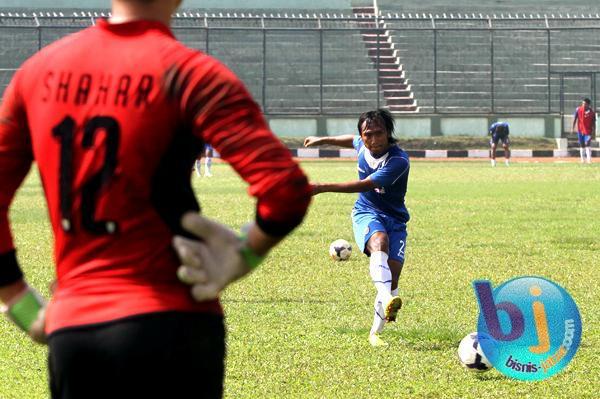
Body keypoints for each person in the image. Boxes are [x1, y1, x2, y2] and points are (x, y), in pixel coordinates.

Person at [0, 0, 312, 398]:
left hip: (75, 333)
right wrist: (243, 255)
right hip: (174, 324)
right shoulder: (191, 74)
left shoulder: (37, 73)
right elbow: (285, 191)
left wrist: (20, 304)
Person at [304, 109, 407, 347]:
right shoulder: (362, 144)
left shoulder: (398, 161)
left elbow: (366, 184)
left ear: (388, 133)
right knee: (379, 240)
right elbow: (349, 139)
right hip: (366, 212)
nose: (373, 140)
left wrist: (321, 187)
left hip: (396, 220)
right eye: (367, 134)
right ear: (362, 135)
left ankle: (375, 333)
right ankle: (385, 297)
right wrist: (322, 139)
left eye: (379, 133)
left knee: (392, 278)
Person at [572, 98, 596, 164]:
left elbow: (594, 123)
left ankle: (589, 160)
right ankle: (582, 160)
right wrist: (573, 128)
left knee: (587, 144)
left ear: (588, 105)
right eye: (582, 103)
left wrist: (594, 131)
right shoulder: (578, 109)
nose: (583, 105)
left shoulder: (592, 113)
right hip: (580, 130)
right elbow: (575, 118)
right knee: (582, 145)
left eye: (585, 104)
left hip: (588, 131)